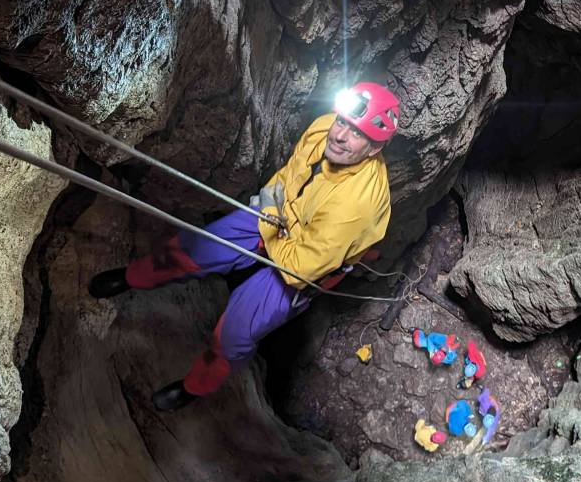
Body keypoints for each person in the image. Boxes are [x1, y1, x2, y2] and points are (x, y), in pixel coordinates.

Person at [88, 83, 400, 411]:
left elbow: (299, 268)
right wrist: (272, 206)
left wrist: (269, 216)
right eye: (342, 123)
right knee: (194, 248)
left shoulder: (354, 206)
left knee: (234, 335)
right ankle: (132, 277)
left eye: (355, 133)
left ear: (374, 149)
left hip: (302, 264)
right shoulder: (323, 127)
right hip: (280, 213)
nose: (339, 135)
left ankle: (193, 387)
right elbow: (291, 173)